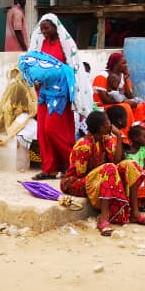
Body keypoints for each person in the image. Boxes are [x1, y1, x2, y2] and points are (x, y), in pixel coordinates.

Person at [25, 14, 93, 180]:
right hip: (43, 92)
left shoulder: (65, 45)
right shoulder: (41, 44)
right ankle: (49, 169)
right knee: (42, 131)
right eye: (42, 29)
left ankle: (73, 165)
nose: (44, 32)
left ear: (55, 27)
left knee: (54, 129)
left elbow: (72, 67)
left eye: (47, 28)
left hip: (60, 93)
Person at [60, 110, 144, 236]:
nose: (111, 124)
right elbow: (80, 174)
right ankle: (104, 218)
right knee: (108, 169)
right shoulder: (84, 145)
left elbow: (117, 161)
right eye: (108, 122)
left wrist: (119, 137)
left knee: (129, 165)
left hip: (100, 179)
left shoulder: (105, 140)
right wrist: (101, 174)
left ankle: (135, 213)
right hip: (76, 183)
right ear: (101, 128)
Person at [92, 52, 145, 120]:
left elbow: (130, 96)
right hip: (103, 106)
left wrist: (125, 80)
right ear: (115, 65)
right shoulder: (102, 76)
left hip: (119, 103)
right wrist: (123, 102)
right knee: (125, 107)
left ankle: (137, 126)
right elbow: (105, 100)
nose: (126, 65)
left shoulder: (124, 77)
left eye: (126, 63)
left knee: (139, 106)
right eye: (123, 63)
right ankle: (127, 129)